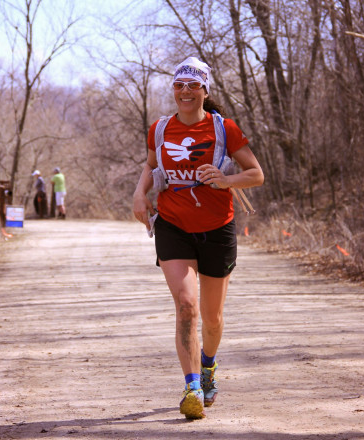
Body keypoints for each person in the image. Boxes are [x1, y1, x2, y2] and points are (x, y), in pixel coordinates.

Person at [132, 56, 264, 419]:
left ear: (205, 89)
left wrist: (227, 180)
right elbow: (150, 165)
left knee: (213, 317)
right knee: (186, 305)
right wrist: (139, 193)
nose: (185, 91)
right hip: (173, 225)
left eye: (193, 85)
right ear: (173, 90)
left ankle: (208, 367)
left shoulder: (224, 129)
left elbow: (256, 174)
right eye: (179, 85)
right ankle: (191, 387)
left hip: (218, 227)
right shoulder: (159, 129)